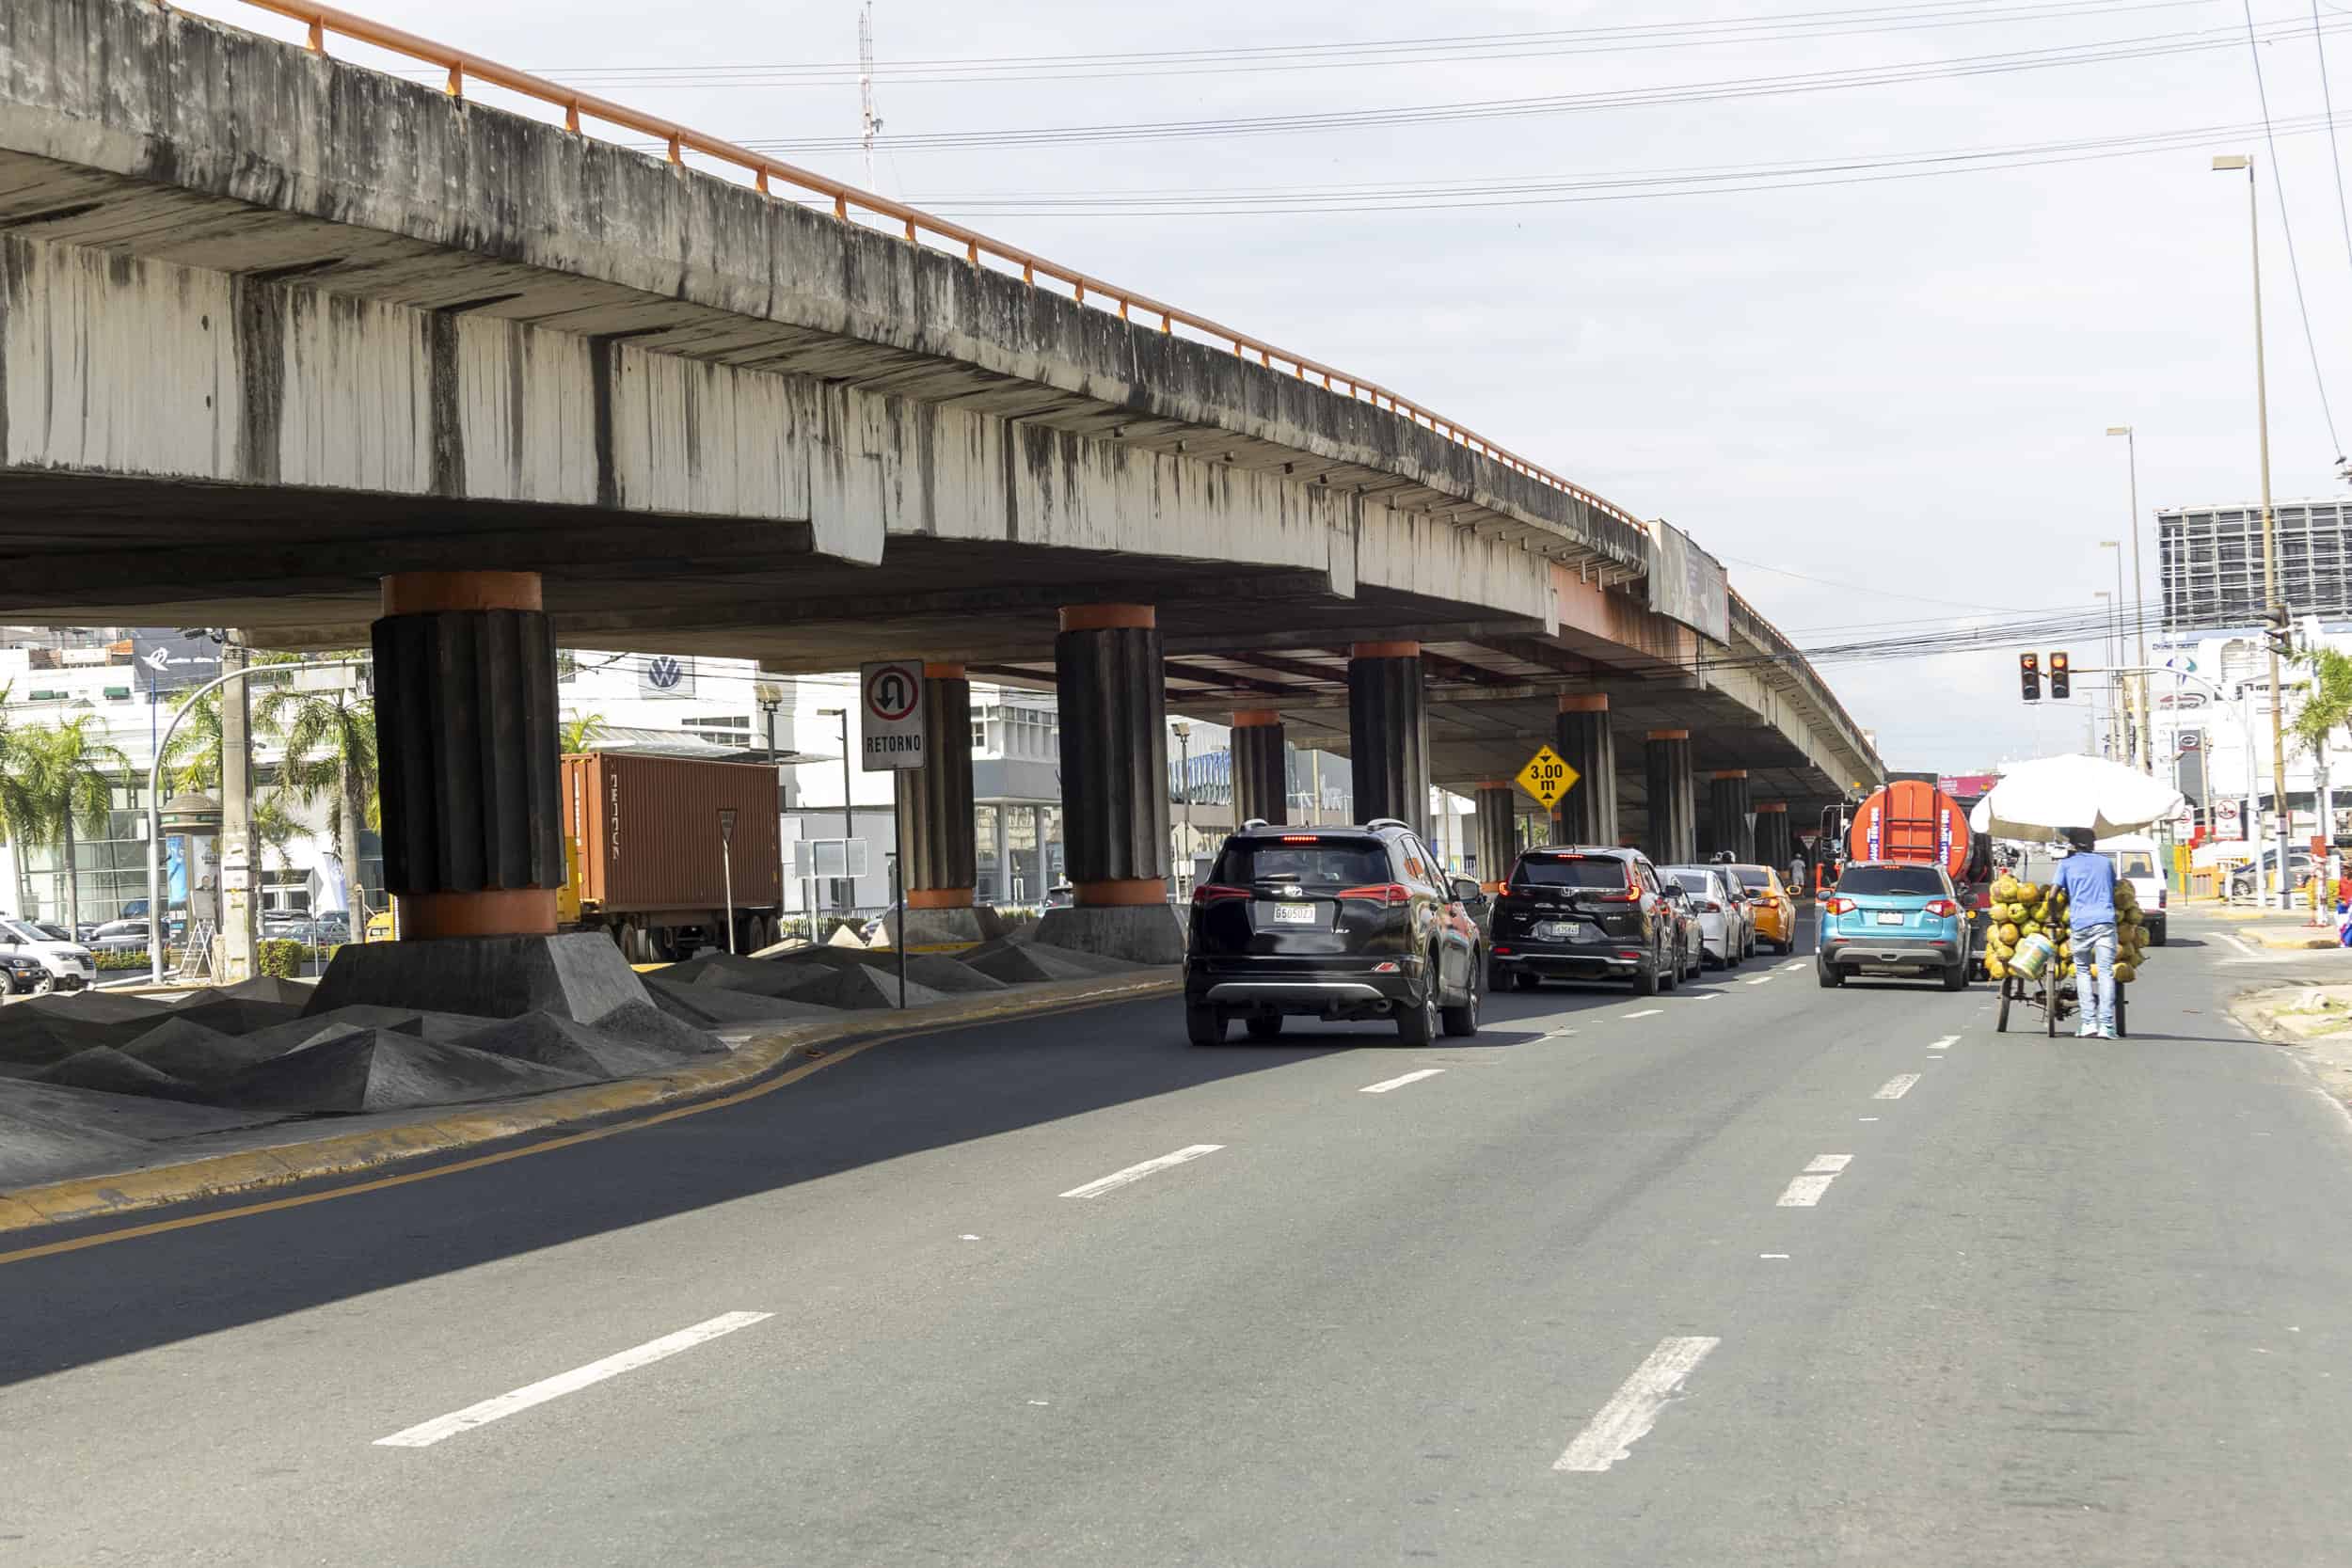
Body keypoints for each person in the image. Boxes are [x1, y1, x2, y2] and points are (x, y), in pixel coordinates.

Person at [2054, 827, 2119, 1039]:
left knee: (2082, 971)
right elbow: (2113, 889)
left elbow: (2053, 894)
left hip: (2080, 923)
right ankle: (2107, 1026)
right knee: (2105, 972)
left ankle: (2088, 1023)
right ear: (2092, 844)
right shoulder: (2106, 863)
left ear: (2072, 844)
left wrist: (2052, 917)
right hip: (2105, 922)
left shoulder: (2066, 864)